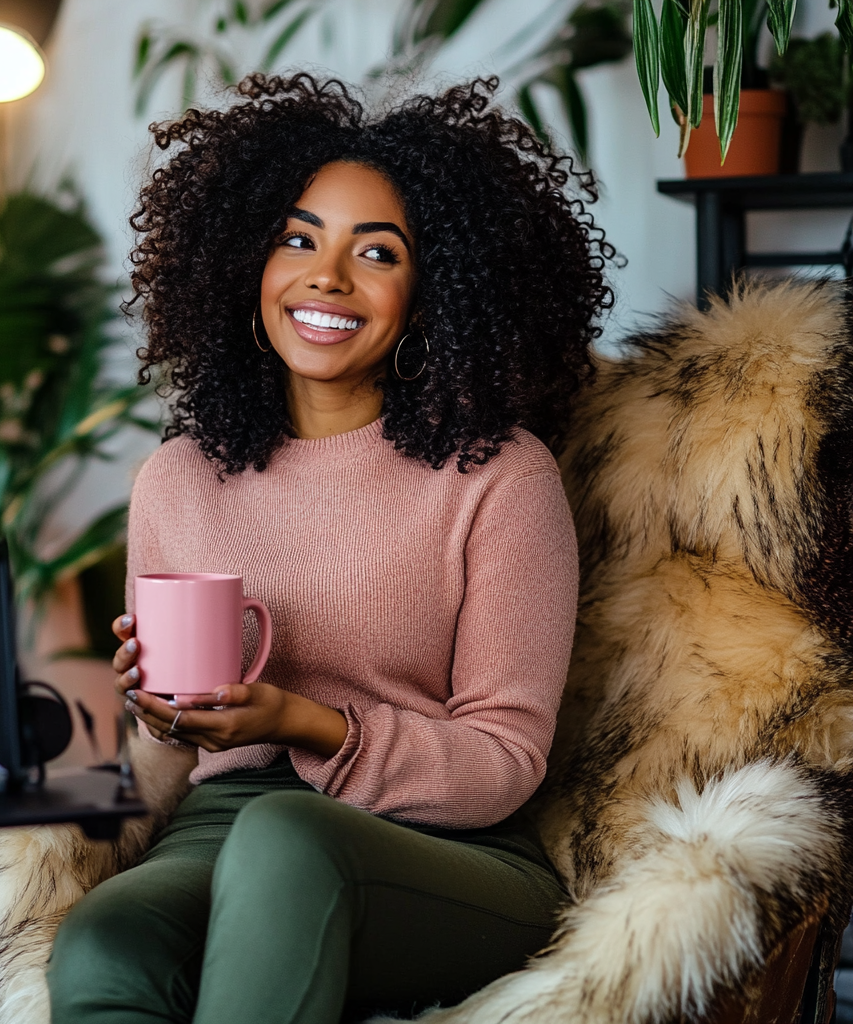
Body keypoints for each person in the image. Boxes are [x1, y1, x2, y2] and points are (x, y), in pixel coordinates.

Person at [46, 74, 614, 1024]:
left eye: (377, 253)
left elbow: (504, 761)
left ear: (432, 296)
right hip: (226, 823)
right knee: (108, 939)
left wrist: (310, 722)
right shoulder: (179, 477)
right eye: (297, 239)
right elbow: (173, 744)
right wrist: (158, 709)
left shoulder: (501, 477)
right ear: (245, 265)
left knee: (286, 837)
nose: (327, 277)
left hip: (447, 852)